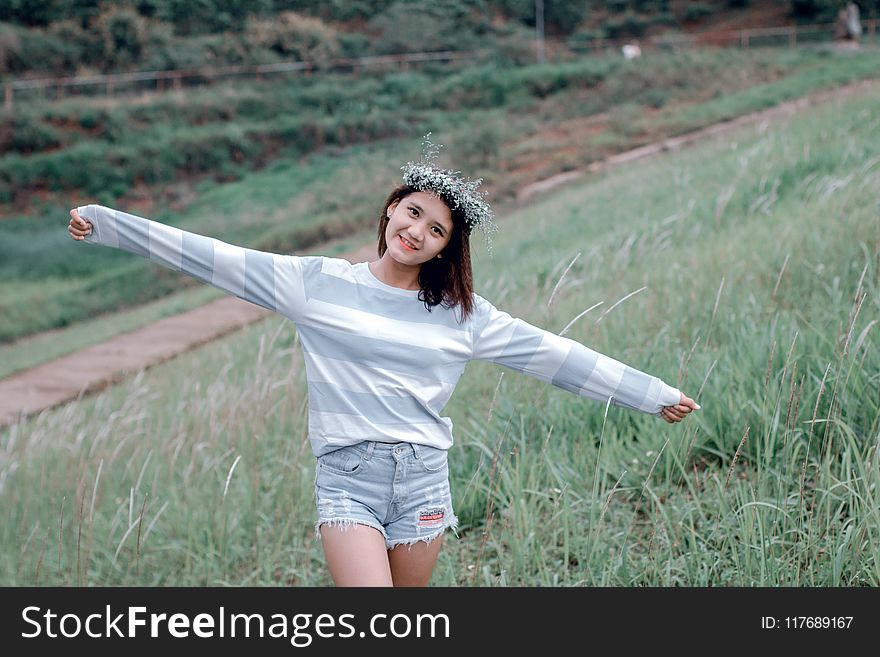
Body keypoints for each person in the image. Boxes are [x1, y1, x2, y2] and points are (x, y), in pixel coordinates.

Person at [67, 134, 699, 587]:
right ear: (391, 208)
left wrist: (651, 394)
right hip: (349, 478)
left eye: (437, 229)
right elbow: (210, 256)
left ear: (446, 248)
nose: (419, 230)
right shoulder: (313, 283)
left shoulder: (463, 315)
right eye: (414, 212)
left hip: (423, 479)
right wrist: (105, 225)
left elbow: (555, 356)